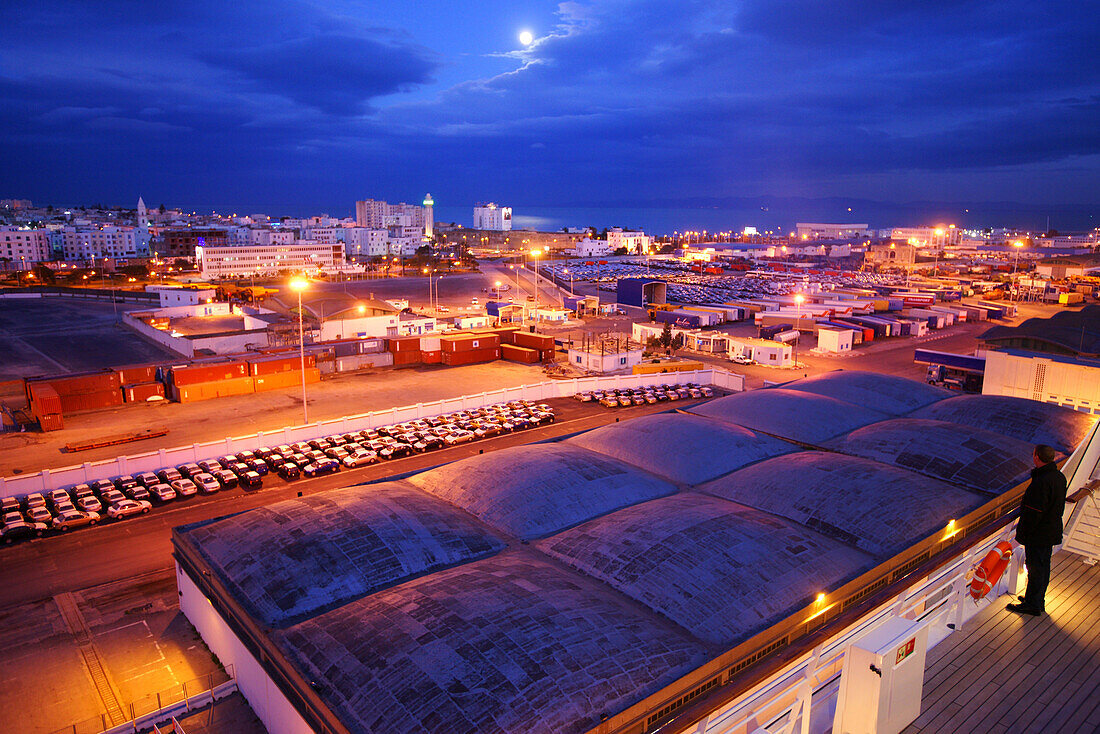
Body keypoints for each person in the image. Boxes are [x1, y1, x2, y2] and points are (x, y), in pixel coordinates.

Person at [1006, 444, 1068, 617]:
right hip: (1050, 530)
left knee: (1035, 568)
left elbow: (1034, 512)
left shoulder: (1041, 482)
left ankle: (1032, 605)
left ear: (1037, 457)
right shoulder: (1058, 477)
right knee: (1042, 567)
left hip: (1039, 534)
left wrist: (1023, 535)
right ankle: (1036, 600)